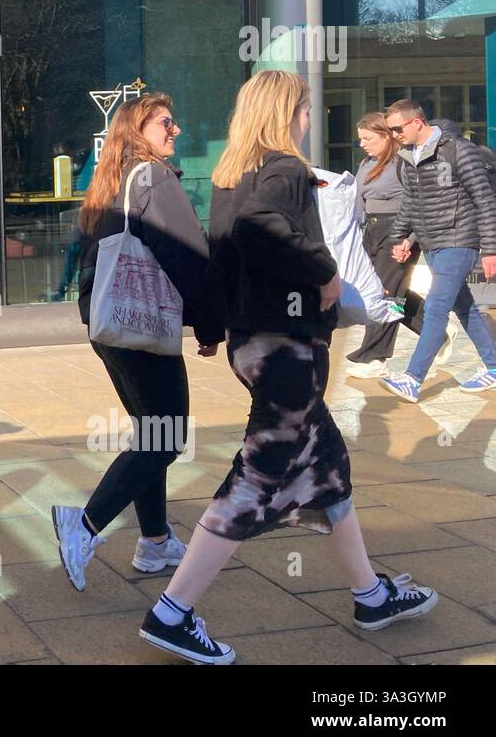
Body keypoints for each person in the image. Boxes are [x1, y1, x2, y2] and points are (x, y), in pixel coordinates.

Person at [138, 71, 438, 665]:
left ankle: (372, 596)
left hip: (255, 344)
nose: (308, 118)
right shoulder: (285, 169)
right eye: (304, 108)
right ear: (287, 112)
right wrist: (323, 273)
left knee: (327, 470)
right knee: (255, 476)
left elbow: (221, 251)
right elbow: (259, 232)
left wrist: (216, 327)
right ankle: (171, 614)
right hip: (286, 349)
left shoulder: (231, 175)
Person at [52, 93, 223, 590]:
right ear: (137, 129)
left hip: (111, 325)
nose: (176, 131)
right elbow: (188, 254)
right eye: (166, 123)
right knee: (167, 437)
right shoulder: (154, 178)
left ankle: (154, 541)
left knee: (153, 431)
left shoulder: (112, 180)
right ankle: (82, 526)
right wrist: (210, 325)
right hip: (142, 327)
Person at [380, 99, 496, 401]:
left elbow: (484, 199)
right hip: (432, 242)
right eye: (390, 130)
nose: (393, 135)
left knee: (435, 307)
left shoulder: (459, 150)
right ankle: (494, 367)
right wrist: (403, 238)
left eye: (396, 128)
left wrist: (490, 250)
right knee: (464, 307)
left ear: (417, 122)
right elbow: (412, 202)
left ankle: (412, 378)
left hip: (459, 239)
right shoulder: (408, 156)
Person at [344, 112, 450, 378]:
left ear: (386, 135)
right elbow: (359, 204)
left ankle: (375, 357)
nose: (363, 144)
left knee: (385, 293)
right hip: (372, 231)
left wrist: (408, 239)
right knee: (386, 290)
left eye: (368, 138)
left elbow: (418, 203)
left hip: (399, 231)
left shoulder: (404, 163)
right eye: (360, 140)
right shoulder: (367, 163)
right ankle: (435, 331)